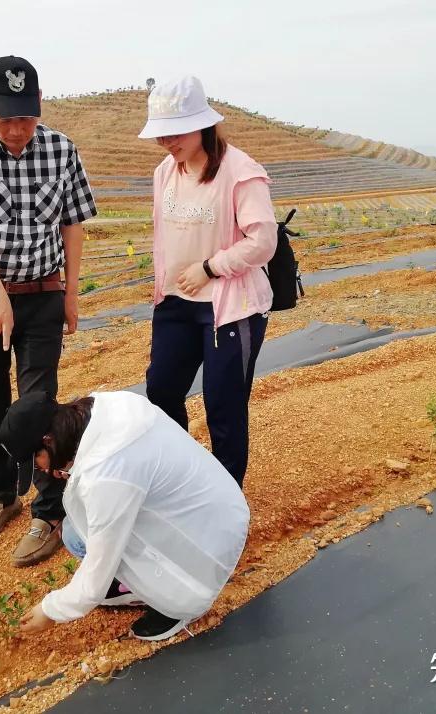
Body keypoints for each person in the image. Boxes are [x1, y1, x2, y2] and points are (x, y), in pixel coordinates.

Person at [0, 56, 98, 567]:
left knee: (40, 405)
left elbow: (73, 224)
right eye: (6, 119)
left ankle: (48, 513)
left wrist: (71, 293)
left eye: (25, 118)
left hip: (44, 293)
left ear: (39, 107)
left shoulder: (60, 149)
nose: (16, 130)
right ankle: (3, 495)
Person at [0, 390, 250, 641]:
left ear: (49, 439)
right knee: (76, 529)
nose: (41, 470)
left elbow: (98, 568)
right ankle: (136, 582)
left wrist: (50, 610)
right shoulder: (106, 405)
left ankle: (175, 600)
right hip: (221, 511)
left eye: (36, 461)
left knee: (86, 534)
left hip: (209, 548)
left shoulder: (107, 475)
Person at [138, 75, 277, 487]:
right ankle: (183, 479)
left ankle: (226, 499)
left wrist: (210, 267)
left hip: (230, 309)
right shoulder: (165, 171)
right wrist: (163, 280)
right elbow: (163, 233)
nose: (165, 142)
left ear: (202, 124)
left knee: (223, 406)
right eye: (160, 134)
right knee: (161, 392)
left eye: (174, 132)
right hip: (176, 302)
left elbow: (263, 242)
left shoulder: (240, 171)